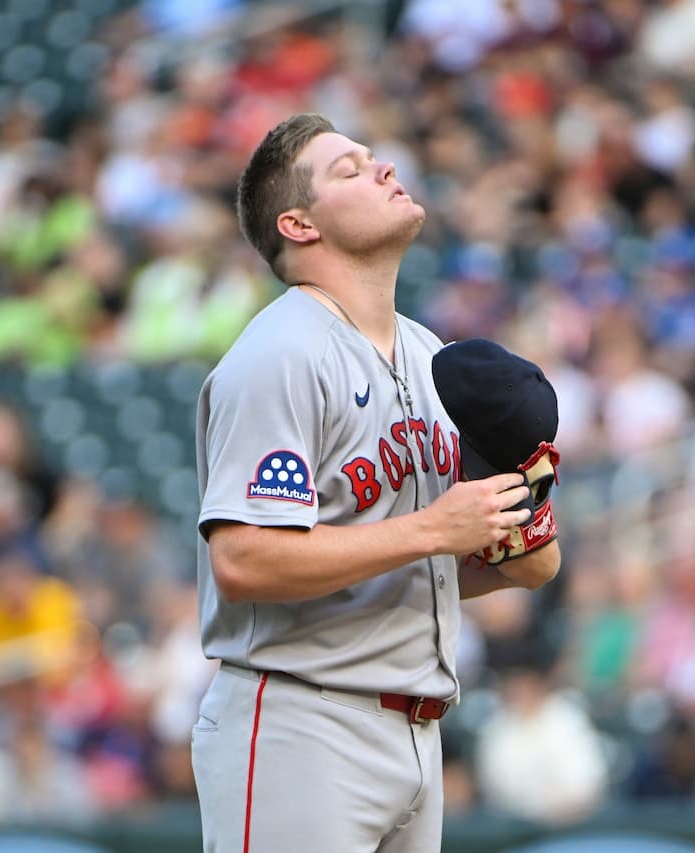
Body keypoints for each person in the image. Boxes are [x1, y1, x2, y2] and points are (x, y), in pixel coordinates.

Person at [191, 113, 562, 852]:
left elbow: (473, 563)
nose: (384, 168)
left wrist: (522, 516)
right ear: (298, 224)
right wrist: (434, 529)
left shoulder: (429, 355)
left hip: (418, 730)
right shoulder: (281, 353)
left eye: (373, 156)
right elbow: (242, 560)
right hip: (303, 720)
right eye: (350, 169)